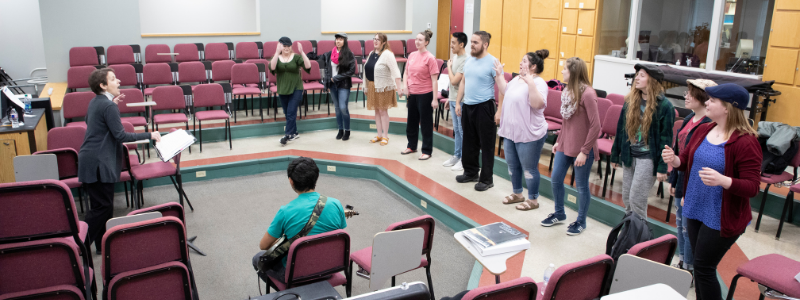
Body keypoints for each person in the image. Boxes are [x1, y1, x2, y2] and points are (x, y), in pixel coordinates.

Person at [662, 83, 761, 300]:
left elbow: (753, 186)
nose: (707, 102)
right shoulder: (705, 128)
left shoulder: (746, 141)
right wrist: (675, 159)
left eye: (712, 100)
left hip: (720, 215)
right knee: (701, 266)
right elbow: (686, 160)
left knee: (703, 268)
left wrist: (724, 180)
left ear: (727, 107)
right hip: (696, 207)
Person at [78, 68, 161, 254]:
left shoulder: (96, 102)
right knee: (102, 207)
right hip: (98, 162)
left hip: (90, 159)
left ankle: (102, 245)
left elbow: (93, 121)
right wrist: (150, 134)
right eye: (113, 79)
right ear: (103, 85)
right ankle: (79, 247)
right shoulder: (108, 106)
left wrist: (111, 104)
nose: (119, 81)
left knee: (102, 206)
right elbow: (120, 135)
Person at [252, 157, 351, 283]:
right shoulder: (336, 204)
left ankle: (290, 292)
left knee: (257, 259)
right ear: (316, 177)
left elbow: (264, 245)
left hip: (296, 275)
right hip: (329, 269)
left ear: (291, 181)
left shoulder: (285, 211)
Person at [541, 57, 601, 235]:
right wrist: (559, 140)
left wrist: (584, 151)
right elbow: (567, 121)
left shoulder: (588, 94)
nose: (562, 72)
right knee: (556, 179)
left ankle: (581, 221)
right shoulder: (568, 91)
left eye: (565, 69)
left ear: (573, 72)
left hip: (583, 148)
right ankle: (559, 213)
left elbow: (595, 126)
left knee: (581, 186)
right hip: (566, 143)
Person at [610, 64, 675, 220]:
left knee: (636, 199)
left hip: (648, 158)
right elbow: (621, 130)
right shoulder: (630, 101)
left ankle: (639, 238)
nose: (636, 78)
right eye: (636, 75)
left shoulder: (666, 106)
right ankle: (629, 232)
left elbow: (666, 140)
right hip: (629, 155)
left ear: (652, 80)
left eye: (642, 75)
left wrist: (662, 167)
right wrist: (614, 155)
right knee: (627, 198)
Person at [668, 79, 715, 273]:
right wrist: (674, 180)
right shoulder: (689, 119)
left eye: (690, 93)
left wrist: (687, 190)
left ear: (703, 98)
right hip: (681, 179)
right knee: (680, 224)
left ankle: (689, 268)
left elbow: (698, 162)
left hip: (693, 184)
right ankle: (682, 261)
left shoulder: (708, 125)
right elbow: (679, 153)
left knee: (689, 229)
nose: (686, 96)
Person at [494, 50, 549, 211]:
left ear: (533, 67)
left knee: (529, 169)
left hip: (529, 133)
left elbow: (537, 104)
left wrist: (530, 83)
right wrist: (499, 75)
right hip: (511, 131)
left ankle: (533, 199)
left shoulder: (539, 83)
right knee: (512, 166)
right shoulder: (517, 79)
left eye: (524, 61)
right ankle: (517, 193)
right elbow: (505, 91)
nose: (520, 63)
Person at [455, 31, 498, 191]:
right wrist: (459, 102)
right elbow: (463, 82)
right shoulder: (469, 60)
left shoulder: (493, 62)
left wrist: (499, 111)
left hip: (485, 107)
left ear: (485, 44)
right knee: (469, 141)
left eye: (475, 42)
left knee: (486, 144)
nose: (471, 45)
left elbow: (501, 86)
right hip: (468, 105)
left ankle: (487, 179)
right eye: (471, 42)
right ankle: (471, 172)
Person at [400, 29, 439, 160]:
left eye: (420, 40)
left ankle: (427, 150)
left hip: (425, 94)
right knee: (411, 121)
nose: (417, 42)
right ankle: (411, 145)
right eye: (416, 39)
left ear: (426, 42)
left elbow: (434, 80)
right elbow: (405, 73)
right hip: (412, 93)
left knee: (426, 123)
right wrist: (405, 86)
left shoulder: (430, 58)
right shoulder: (411, 55)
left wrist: (434, 99)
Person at [270, 36, 311, 146]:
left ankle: (287, 135)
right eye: (284, 46)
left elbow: (308, 65)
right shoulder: (276, 57)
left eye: (288, 46)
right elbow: (272, 68)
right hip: (283, 88)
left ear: (291, 46)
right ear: (280, 46)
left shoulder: (296, 57)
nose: (287, 48)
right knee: (287, 113)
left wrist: (302, 52)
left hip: (296, 88)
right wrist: (276, 52)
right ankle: (294, 132)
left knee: (291, 112)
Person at [364, 33, 402, 146]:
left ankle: (385, 136)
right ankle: (379, 135)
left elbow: (396, 72)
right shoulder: (371, 53)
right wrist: (365, 87)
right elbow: (366, 72)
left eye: (378, 40)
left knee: (382, 111)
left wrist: (399, 88)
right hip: (372, 86)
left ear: (384, 42)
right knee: (376, 110)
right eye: (374, 39)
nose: (375, 41)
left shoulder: (387, 54)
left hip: (384, 87)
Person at [318, 33, 356, 141]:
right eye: (337, 39)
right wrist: (328, 80)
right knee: (337, 108)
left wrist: (337, 77)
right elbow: (327, 68)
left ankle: (347, 130)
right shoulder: (330, 53)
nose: (338, 41)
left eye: (340, 39)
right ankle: (340, 130)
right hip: (332, 84)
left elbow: (351, 71)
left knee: (343, 107)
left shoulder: (349, 54)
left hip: (343, 84)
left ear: (345, 41)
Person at [442, 32, 468, 171]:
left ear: (461, 44)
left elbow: (453, 81)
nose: (451, 45)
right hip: (453, 99)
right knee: (456, 130)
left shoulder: (465, 60)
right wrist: (449, 99)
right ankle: (457, 156)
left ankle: (464, 159)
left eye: (453, 43)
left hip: (461, 101)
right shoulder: (456, 57)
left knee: (462, 131)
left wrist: (449, 67)